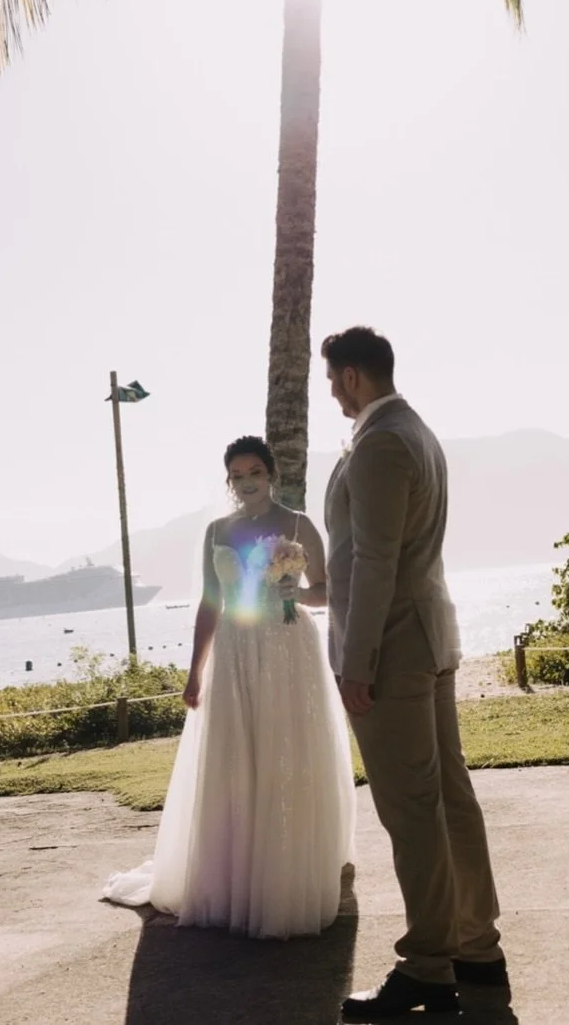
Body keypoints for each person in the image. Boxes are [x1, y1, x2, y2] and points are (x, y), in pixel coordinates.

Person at [320, 327, 507, 1020]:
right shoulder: (418, 432)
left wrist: (356, 662)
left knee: (412, 808)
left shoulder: (378, 444)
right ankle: (478, 951)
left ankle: (429, 967)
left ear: (353, 376)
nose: (334, 394)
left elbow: (374, 561)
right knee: (449, 797)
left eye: (335, 380)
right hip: (430, 638)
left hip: (393, 651)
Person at [101, 435, 355, 938]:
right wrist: (195, 670)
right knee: (236, 760)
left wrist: (299, 592)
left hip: (288, 650)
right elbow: (210, 605)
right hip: (235, 653)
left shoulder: (300, 524)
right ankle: (237, 877)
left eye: (254, 472)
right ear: (229, 482)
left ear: (271, 473)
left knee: (288, 753)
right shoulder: (217, 530)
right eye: (236, 476)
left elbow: (329, 593)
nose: (246, 483)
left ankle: (288, 873)